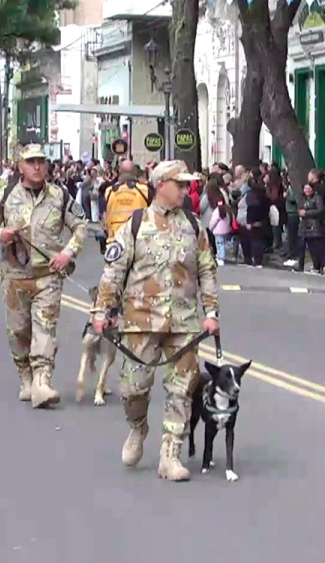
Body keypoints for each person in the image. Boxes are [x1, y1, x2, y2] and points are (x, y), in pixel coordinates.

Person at [91, 160, 220, 482]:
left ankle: (170, 453)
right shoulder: (135, 224)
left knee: (182, 388)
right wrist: (101, 311)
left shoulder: (193, 225)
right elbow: (114, 272)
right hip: (141, 321)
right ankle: (138, 428)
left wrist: (212, 313)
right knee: (133, 389)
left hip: (184, 322)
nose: (186, 189)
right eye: (180, 184)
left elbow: (206, 269)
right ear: (161, 184)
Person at [0, 144, 88, 407]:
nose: (37, 167)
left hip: (47, 275)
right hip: (15, 275)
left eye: (41, 161)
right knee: (18, 331)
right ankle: (26, 377)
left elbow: (81, 226)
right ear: (21, 166)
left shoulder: (60, 195)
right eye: (31, 162)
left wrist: (67, 254)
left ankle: (43, 381)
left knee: (45, 329)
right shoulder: (4, 193)